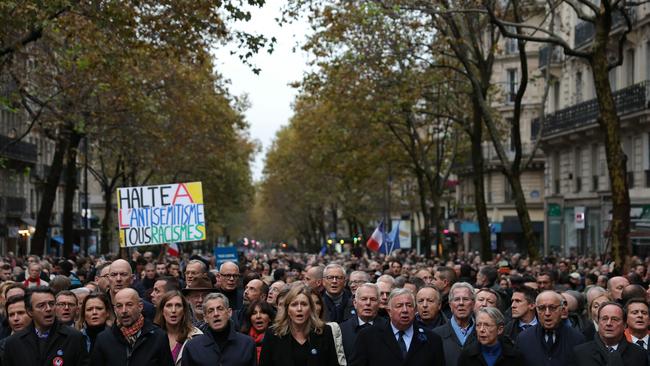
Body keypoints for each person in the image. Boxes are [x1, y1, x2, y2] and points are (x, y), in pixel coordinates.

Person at [351, 287, 445, 366]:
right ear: (389, 311)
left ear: (415, 309)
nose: (405, 310)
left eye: (409, 305)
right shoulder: (368, 336)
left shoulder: (432, 339)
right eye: (399, 306)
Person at [2, 287, 89, 366]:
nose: (48, 309)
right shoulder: (13, 342)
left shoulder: (74, 337)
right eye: (41, 305)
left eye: (51, 304)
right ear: (30, 311)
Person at [259, 284, 339, 366]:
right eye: (294, 305)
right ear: (287, 310)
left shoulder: (324, 331)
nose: (299, 309)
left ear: (311, 309)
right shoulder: (273, 334)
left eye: (304, 304)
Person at [90, 288, 173, 366]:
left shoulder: (158, 336)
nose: (124, 311)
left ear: (140, 306)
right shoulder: (103, 339)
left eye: (129, 305)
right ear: (115, 310)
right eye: (119, 306)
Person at [180, 293, 255, 366]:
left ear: (229, 313)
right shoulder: (192, 347)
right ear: (205, 318)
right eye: (210, 311)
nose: (216, 314)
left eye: (220, 309)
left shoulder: (247, 344)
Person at [516, 290, 585, 366]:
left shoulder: (577, 339)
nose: (547, 313)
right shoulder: (523, 338)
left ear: (562, 310)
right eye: (542, 308)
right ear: (536, 310)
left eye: (552, 308)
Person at [570, 302, 648, 365]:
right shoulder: (580, 353)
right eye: (604, 319)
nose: (609, 323)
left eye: (615, 319)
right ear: (598, 322)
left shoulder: (639, 354)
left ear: (624, 325)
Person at [457, 307, 525, 366]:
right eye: (478, 325)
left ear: (499, 329)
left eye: (487, 325)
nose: (481, 330)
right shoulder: (466, 356)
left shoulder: (514, 357)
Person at [433, 282, 478, 366]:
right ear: (450, 305)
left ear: (473, 304)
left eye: (465, 299)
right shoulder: (436, 335)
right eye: (456, 299)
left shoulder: (482, 333)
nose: (461, 303)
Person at [340, 283, 388, 360]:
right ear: (355, 303)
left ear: (379, 304)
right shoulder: (342, 329)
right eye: (364, 299)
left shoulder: (389, 327)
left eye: (373, 299)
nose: (368, 303)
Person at [154, 290, 202, 365]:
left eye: (178, 305)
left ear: (184, 311)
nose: (173, 310)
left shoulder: (196, 336)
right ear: (162, 311)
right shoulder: (152, 336)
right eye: (169, 305)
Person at [0, 295, 31, 360]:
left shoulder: (46, 341)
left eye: (21, 313)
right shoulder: (3, 347)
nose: (15, 318)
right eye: (11, 315)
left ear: (31, 313)